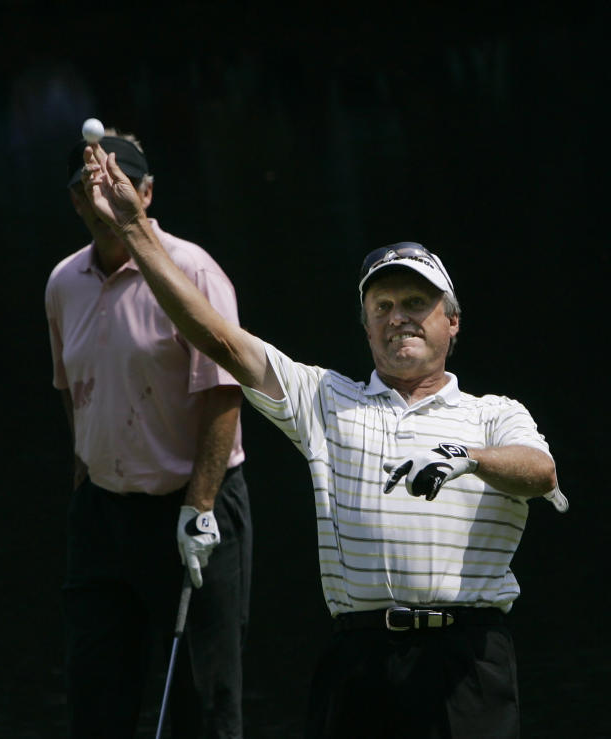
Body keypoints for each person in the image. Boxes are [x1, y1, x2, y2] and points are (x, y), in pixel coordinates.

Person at [76, 143, 569, 738]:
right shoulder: (324, 398)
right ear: (364, 325)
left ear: (452, 320)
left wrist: (464, 459)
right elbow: (218, 339)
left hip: (467, 664)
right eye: (381, 306)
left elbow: (538, 472)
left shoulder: (492, 414)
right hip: (360, 664)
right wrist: (134, 229)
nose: (398, 317)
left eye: (416, 303)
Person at [45, 131, 252, 738]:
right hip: (103, 514)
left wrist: (201, 505)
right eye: (91, 188)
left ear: (146, 193)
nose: (103, 196)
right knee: (96, 695)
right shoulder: (64, 282)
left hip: (192, 510)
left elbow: (222, 388)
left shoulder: (190, 271)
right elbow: (70, 387)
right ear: (78, 201)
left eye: (117, 185)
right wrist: (86, 475)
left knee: (201, 703)